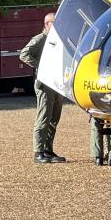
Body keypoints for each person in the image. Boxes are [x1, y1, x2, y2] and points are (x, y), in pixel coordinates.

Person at [20, 12, 65, 164]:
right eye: (55, 22)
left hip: (56, 83)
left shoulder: (57, 40)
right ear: (47, 24)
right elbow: (24, 54)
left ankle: (48, 150)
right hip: (44, 84)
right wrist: (41, 66)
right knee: (43, 117)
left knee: (54, 118)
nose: (58, 25)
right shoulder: (40, 39)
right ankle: (38, 152)